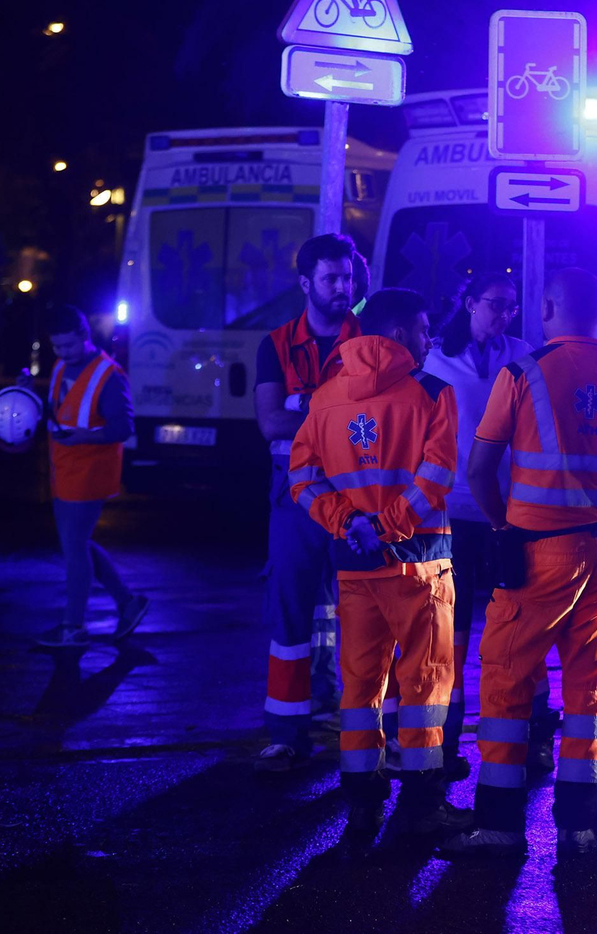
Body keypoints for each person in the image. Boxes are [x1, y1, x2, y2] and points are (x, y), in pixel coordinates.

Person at [442, 268, 597, 858]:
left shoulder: (521, 373)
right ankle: (578, 825)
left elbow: (477, 470)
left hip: (539, 550)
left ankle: (497, 823)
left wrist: (503, 527)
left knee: (505, 678)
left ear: (547, 306)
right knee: (589, 688)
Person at [287, 287, 470, 839]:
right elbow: (436, 478)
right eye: (420, 328)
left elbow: (300, 479)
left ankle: (362, 803)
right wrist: (389, 525)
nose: (428, 337)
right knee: (424, 686)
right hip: (420, 567)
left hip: (356, 567)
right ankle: (422, 804)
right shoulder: (434, 393)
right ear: (396, 334)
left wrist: (350, 524)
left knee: (360, 687)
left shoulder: (324, 399)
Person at [252, 233, 362, 771]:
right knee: (291, 611)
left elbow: (381, 412)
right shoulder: (275, 344)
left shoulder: (369, 338)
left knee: (361, 613)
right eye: (331, 279)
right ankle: (286, 735)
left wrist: (305, 406)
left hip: (357, 491)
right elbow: (268, 421)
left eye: (347, 277)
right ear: (305, 284)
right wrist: (335, 414)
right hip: (294, 492)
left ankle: (363, 733)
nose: (343, 287)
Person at [420, 270, 534, 778]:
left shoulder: (522, 354)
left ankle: (531, 735)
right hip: (453, 512)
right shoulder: (435, 360)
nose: (503, 315)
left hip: (509, 511)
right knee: (453, 629)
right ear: (468, 304)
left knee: (518, 627)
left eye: (511, 306)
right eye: (495, 304)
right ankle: (445, 741)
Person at [32, 305, 148, 649]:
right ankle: (129, 603)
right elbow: (59, 410)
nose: (63, 353)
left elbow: (124, 428)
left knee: (74, 548)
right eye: (57, 347)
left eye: (69, 346)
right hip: (64, 469)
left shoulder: (109, 375)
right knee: (76, 544)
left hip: (88, 473)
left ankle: (73, 626)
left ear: (85, 336)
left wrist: (83, 438)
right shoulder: (60, 366)